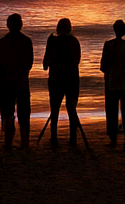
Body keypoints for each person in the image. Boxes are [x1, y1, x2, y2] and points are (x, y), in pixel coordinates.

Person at [43, 17, 84, 150]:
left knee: (54, 109)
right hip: (72, 79)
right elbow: (76, 61)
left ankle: (54, 137)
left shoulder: (52, 41)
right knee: (71, 108)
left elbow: (45, 64)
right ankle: (73, 138)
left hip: (56, 79)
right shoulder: (74, 41)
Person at [0, 13, 32, 149]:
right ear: (20, 25)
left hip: (6, 83)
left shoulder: (2, 43)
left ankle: (8, 142)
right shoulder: (27, 42)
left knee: (8, 114)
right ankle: (24, 142)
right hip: (21, 82)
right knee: (24, 115)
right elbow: (29, 63)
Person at [101, 19, 125, 150]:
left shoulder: (108, 45)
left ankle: (113, 140)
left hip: (113, 84)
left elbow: (103, 66)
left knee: (112, 113)